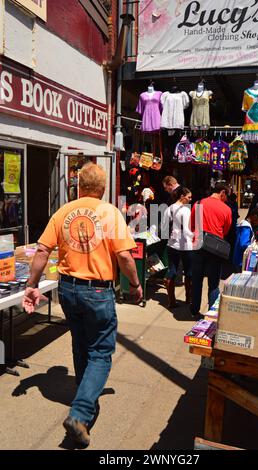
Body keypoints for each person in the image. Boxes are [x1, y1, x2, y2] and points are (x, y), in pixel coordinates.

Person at [22, 162, 142, 447]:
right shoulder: (110, 212)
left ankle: (83, 395)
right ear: (102, 188)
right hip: (97, 292)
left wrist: (31, 285)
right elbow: (125, 257)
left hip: (67, 289)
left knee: (80, 343)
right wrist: (135, 285)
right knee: (100, 352)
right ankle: (81, 412)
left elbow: (41, 249)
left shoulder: (63, 211)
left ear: (79, 187)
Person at [190, 182, 232, 317]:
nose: (227, 199)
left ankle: (194, 311)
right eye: (227, 195)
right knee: (213, 284)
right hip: (215, 249)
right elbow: (225, 230)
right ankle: (212, 314)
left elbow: (192, 225)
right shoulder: (226, 209)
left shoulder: (198, 203)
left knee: (196, 280)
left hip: (198, 245)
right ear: (222, 193)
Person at [161, 187, 193, 308]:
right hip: (186, 245)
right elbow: (187, 230)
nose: (190, 199)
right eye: (189, 197)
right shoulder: (186, 210)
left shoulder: (169, 209)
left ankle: (171, 300)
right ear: (182, 196)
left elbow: (164, 228)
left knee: (172, 271)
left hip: (172, 244)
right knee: (189, 272)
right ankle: (188, 299)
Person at [233, 207, 258, 272]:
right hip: (240, 261)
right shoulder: (246, 227)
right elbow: (243, 244)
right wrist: (254, 244)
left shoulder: (245, 225)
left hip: (238, 259)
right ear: (255, 217)